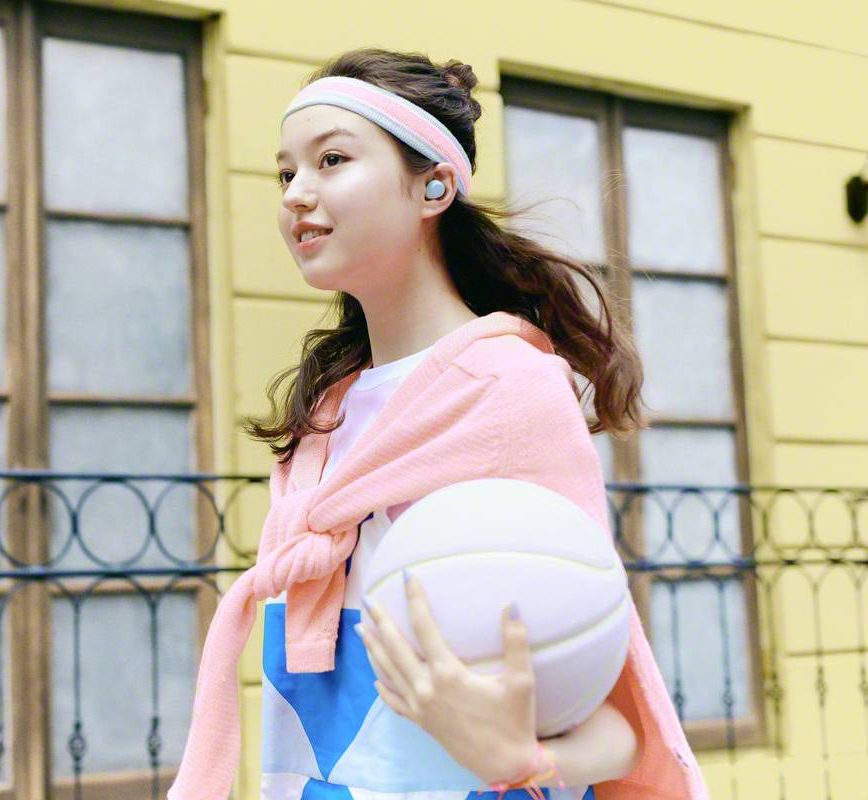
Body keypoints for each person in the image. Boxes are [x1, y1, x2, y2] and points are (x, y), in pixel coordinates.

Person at [166, 48, 708, 800]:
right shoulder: (326, 414)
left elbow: (615, 718)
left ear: (435, 185)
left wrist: (519, 755)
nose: (297, 194)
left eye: (331, 160)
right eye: (286, 173)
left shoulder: (507, 390)